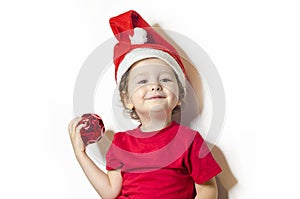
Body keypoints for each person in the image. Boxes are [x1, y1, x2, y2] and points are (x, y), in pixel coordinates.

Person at [68, 10, 222, 199]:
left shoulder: (189, 140)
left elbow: (208, 189)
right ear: (127, 99)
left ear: (179, 95)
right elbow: (110, 192)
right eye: (142, 81)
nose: (155, 86)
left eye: (165, 79)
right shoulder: (120, 143)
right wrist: (80, 154)